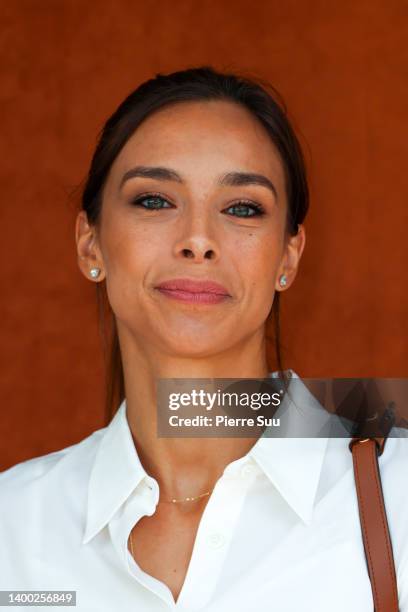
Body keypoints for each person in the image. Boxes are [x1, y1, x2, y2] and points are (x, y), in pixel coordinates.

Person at [1, 66, 407, 611]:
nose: (198, 239)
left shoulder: (398, 493)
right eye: (154, 200)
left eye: (242, 208)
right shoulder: (13, 529)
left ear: (288, 257)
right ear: (90, 244)